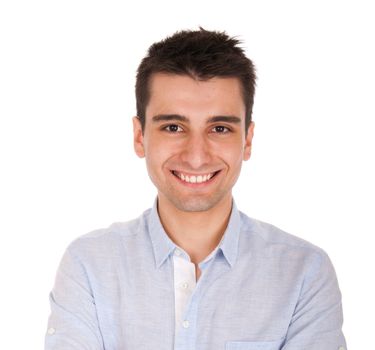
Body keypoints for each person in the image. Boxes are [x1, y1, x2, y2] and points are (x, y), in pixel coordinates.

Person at [45, 28, 347, 350]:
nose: (196, 156)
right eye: (173, 127)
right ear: (139, 136)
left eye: (219, 128)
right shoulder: (89, 266)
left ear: (247, 140)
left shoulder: (303, 275)